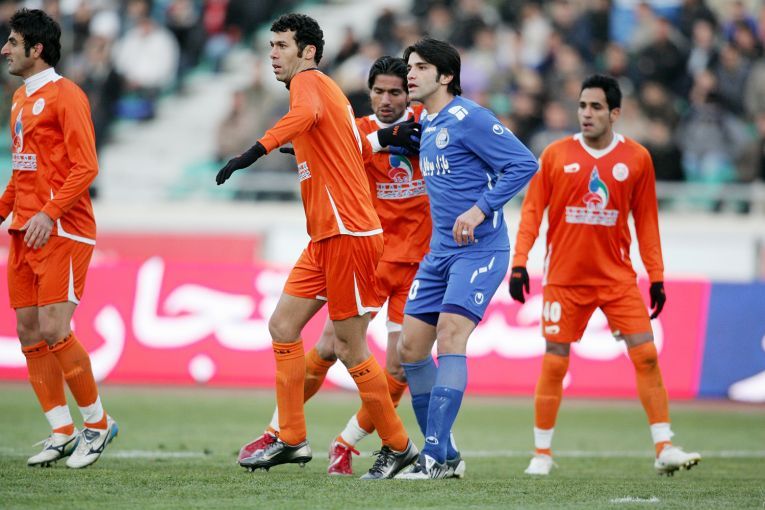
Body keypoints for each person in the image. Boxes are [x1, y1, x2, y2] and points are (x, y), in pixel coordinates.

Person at [215, 14, 420, 480]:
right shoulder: (327, 93)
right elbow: (354, 146)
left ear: (307, 52)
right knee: (283, 326)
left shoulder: (308, 83)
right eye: (271, 45)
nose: (273, 54)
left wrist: (255, 151)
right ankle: (290, 436)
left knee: (349, 346)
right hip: (325, 237)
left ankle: (399, 446)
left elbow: (304, 117)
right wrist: (311, 148)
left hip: (348, 232)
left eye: (282, 45)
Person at [509, 74, 702, 477]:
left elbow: (647, 221)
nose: (586, 113)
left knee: (646, 354)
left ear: (615, 113)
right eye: (582, 106)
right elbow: (532, 212)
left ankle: (664, 446)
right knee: (555, 362)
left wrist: (657, 276)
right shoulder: (556, 154)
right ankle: (541, 453)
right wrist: (520, 262)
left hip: (617, 279)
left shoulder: (637, 158)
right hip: (564, 279)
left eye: (596, 107)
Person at [391, 37, 538, 479]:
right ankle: (449, 454)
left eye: (420, 67)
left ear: (446, 75)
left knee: (451, 335)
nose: (410, 74)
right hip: (439, 253)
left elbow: (524, 163)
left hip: (480, 251)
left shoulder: (469, 117)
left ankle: (433, 456)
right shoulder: (425, 122)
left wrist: (480, 209)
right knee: (410, 348)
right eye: (409, 67)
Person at [0, 8, 118, 469]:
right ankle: (61, 429)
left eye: (13, 42)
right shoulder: (19, 99)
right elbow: (22, 171)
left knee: (54, 328)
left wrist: (50, 212)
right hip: (25, 229)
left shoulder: (67, 95)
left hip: (64, 229)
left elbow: (86, 166)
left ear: (37, 49)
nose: (5, 50)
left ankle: (97, 423)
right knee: (28, 331)